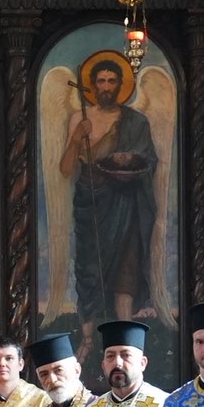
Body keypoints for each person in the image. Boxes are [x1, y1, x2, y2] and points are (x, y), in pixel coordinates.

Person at [61, 57, 158, 337]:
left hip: (126, 201)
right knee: (90, 270)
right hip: (91, 203)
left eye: (112, 81)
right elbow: (66, 169)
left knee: (127, 268)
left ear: (120, 85)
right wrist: (77, 138)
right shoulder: (79, 118)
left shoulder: (135, 121)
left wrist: (127, 164)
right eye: (101, 81)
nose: (106, 87)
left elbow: (149, 161)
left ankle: (125, 336)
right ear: (93, 86)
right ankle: (87, 339)